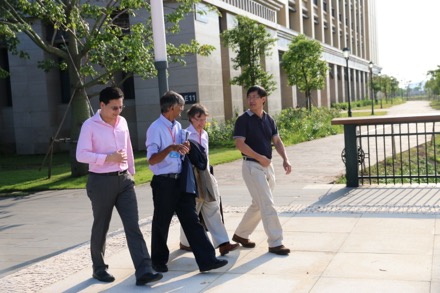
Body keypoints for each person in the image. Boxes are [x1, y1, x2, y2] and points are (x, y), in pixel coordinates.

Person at [76, 87, 162, 286]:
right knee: (101, 226)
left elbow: (128, 147)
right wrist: (107, 158)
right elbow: (81, 155)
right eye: (114, 108)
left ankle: (144, 271)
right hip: (100, 182)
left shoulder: (122, 122)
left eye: (121, 107)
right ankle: (98, 268)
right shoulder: (89, 125)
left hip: (124, 181)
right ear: (102, 105)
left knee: (133, 226)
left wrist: (131, 172)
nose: (118, 112)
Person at [145, 91, 228, 273]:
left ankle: (207, 260)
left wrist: (186, 148)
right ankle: (158, 261)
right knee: (161, 223)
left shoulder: (178, 128)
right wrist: (171, 148)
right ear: (172, 107)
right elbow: (152, 160)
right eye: (180, 107)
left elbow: (180, 152)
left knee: (192, 221)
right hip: (164, 183)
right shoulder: (155, 128)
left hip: (181, 181)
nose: (182, 110)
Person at [231, 85, 292, 255]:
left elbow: (277, 141)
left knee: (258, 203)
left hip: (268, 166)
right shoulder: (243, 119)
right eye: (249, 97)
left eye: (255, 97)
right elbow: (240, 144)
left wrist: (285, 159)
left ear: (263, 99)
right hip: (252, 166)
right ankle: (275, 242)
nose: (251, 100)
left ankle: (241, 235)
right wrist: (259, 158)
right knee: (267, 203)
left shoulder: (269, 119)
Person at [178, 104, 239, 256]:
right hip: (192, 177)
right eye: (198, 119)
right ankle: (185, 243)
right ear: (191, 118)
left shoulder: (204, 134)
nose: (201, 122)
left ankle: (223, 243)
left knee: (213, 207)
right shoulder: (184, 134)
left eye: (204, 119)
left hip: (206, 174)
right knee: (193, 211)